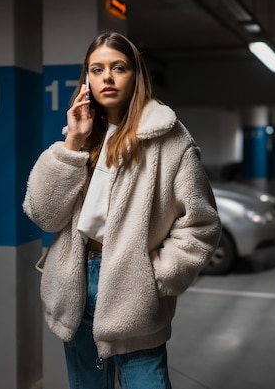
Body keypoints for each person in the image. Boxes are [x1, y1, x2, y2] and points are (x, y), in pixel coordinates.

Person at [23, 31, 221, 389]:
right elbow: (44, 215)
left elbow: (201, 225)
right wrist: (72, 143)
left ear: (136, 75)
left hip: (133, 288)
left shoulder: (170, 140)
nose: (107, 78)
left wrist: (154, 278)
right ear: (87, 79)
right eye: (97, 70)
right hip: (76, 283)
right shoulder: (81, 137)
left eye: (119, 68)